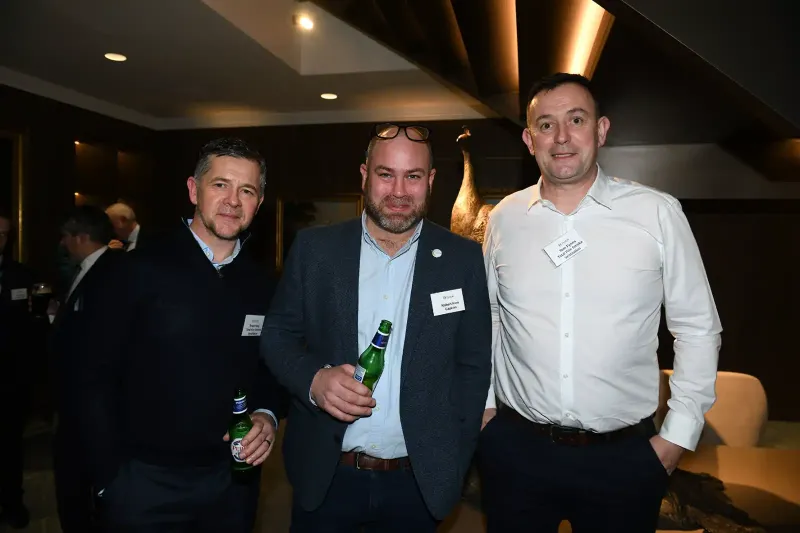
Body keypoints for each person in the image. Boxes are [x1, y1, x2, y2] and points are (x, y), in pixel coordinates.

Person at [478, 72, 722, 532]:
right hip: (517, 452)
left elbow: (696, 326)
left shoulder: (657, 213)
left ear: (601, 129)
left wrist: (677, 436)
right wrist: (486, 409)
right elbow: (490, 316)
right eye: (546, 125)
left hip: (623, 460)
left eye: (576, 120)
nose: (562, 137)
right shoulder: (504, 218)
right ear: (529, 140)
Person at [262, 123, 492, 532]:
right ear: (365, 175)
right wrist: (314, 380)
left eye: (413, 176)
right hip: (327, 476)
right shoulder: (315, 250)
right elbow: (277, 335)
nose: (399, 191)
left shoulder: (463, 260)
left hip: (418, 484)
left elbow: (473, 366)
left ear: (431, 180)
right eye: (386, 174)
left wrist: (457, 455)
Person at [68, 138, 287, 533]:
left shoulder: (264, 286)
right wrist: (108, 480)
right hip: (143, 484)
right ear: (193, 190)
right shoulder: (134, 271)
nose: (233, 201)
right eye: (220, 185)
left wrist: (266, 415)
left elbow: (269, 370)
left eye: (247, 190)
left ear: (259, 202)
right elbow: (90, 377)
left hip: (232, 483)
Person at [50, 205, 123, 533]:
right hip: (80, 403)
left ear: (80, 237)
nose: (62, 244)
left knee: (80, 486)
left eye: (65, 237)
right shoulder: (89, 270)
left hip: (90, 405)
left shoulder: (111, 272)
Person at [0, 208, 33, 529]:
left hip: (9, 377)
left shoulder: (19, 274)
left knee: (10, 444)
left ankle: (12, 502)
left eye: (4, 234)